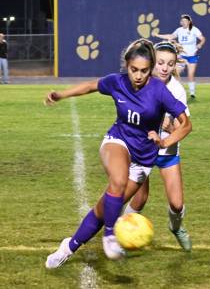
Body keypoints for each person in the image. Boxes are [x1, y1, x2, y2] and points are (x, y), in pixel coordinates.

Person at [44, 38, 192, 268]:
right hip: (117, 140)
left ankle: (68, 247)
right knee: (118, 179)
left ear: (150, 68)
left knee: (103, 210)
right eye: (134, 70)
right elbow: (90, 86)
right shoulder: (116, 82)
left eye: (144, 70)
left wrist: (165, 142)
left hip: (144, 159)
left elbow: (186, 124)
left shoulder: (160, 91)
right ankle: (111, 236)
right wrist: (61, 95)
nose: (139, 75)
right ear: (126, 66)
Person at [124, 41, 192, 251]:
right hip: (140, 150)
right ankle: (120, 236)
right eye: (160, 62)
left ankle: (176, 227)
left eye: (170, 64)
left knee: (177, 204)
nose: (164, 68)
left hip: (166, 151)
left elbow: (184, 128)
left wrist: (168, 127)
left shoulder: (177, 90)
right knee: (139, 198)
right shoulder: (139, 80)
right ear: (152, 62)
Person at [154, 14, 206, 99]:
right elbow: (170, 36)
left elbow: (203, 38)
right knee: (176, 73)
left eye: (185, 21)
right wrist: (157, 35)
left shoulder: (194, 30)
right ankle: (174, 91)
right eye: (182, 21)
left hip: (192, 56)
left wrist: (200, 44)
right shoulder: (179, 30)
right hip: (182, 56)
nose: (183, 22)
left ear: (189, 22)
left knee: (191, 74)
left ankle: (192, 93)